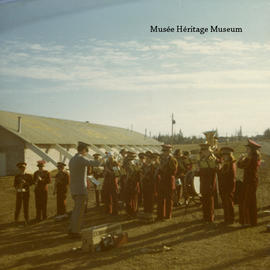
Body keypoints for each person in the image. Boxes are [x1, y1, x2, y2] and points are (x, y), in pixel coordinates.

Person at [68, 142, 101, 238]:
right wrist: (104, 158)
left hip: (74, 189)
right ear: (83, 150)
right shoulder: (80, 158)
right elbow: (95, 163)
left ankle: (72, 228)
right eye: (86, 150)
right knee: (79, 212)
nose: (87, 152)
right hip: (80, 189)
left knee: (76, 210)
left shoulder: (72, 159)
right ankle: (75, 231)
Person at [237, 139, 261, 226]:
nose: (246, 150)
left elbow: (241, 165)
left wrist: (240, 159)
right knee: (248, 200)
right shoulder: (251, 157)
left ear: (252, 150)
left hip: (251, 182)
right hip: (248, 181)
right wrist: (241, 160)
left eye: (248, 148)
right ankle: (250, 221)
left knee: (249, 200)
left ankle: (250, 221)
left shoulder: (253, 158)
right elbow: (240, 165)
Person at [197, 144, 218, 224]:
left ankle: (210, 218)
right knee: (204, 200)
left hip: (209, 182)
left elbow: (213, 171)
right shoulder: (202, 159)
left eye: (205, 150)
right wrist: (197, 172)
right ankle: (205, 217)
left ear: (209, 150)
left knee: (209, 201)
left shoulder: (212, 159)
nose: (203, 152)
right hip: (203, 182)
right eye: (202, 150)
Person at [157, 144, 178, 220]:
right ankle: (160, 215)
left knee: (169, 199)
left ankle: (168, 215)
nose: (164, 153)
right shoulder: (161, 159)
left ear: (169, 151)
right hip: (162, 181)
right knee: (160, 199)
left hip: (169, 181)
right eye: (163, 151)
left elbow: (174, 171)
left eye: (166, 151)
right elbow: (158, 169)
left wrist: (164, 171)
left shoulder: (172, 160)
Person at [217, 147, 236, 225]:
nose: (223, 157)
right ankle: (227, 219)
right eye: (223, 155)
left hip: (228, 186)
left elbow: (228, 175)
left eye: (225, 155)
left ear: (229, 155)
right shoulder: (227, 163)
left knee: (228, 202)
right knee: (225, 203)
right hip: (224, 186)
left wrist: (219, 170)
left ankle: (230, 219)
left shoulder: (230, 164)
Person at [124, 152, 140, 218]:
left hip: (133, 182)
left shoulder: (134, 163)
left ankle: (133, 212)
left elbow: (137, 172)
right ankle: (130, 212)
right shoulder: (126, 163)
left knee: (133, 198)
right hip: (129, 182)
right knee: (130, 198)